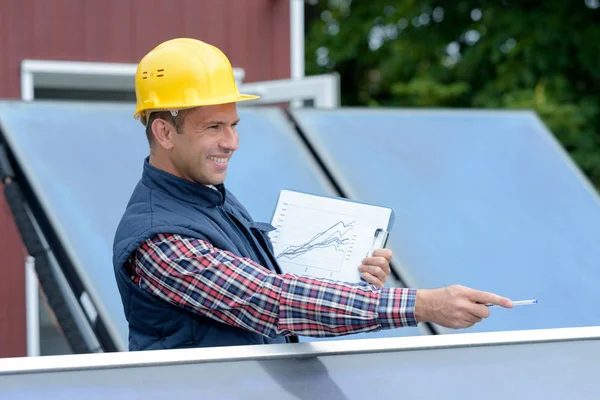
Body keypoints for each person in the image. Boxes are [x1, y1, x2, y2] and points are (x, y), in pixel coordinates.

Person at [112, 38, 513, 352]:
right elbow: (268, 301)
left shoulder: (208, 195)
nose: (232, 142)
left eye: (234, 125)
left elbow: (271, 278)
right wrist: (420, 305)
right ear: (164, 132)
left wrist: (348, 274)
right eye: (214, 127)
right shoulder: (158, 240)